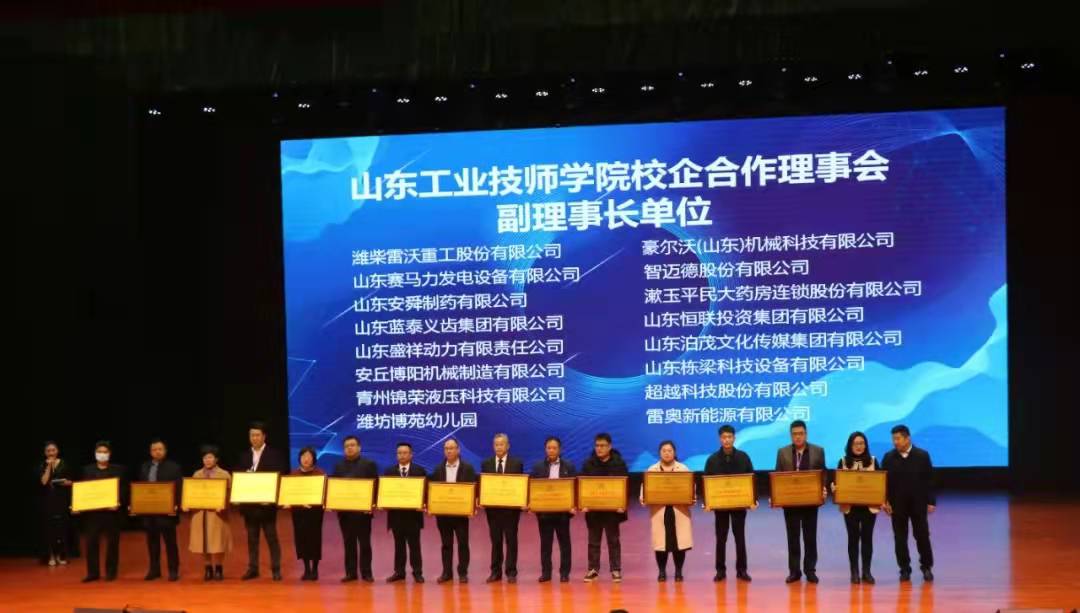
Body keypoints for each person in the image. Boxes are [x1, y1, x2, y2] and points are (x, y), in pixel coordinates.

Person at [881, 424, 935, 583]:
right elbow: (883, 482)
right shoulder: (888, 457)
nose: (895, 442)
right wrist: (884, 501)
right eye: (893, 439)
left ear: (907, 438)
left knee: (922, 536)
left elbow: (929, 480)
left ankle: (926, 567)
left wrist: (931, 501)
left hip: (918, 505)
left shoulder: (922, 455)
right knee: (900, 538)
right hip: (897, 505)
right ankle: (904, 569)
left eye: (898, 439)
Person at [774, 419, 826, 583]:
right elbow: (777, 476)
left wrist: (823, 489)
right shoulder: (782, 452)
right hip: (790, 503)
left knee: (810, 538)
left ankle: (810, 570)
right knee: (793, 538)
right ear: (791, 435)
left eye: (801, 433)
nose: (798, 437)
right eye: (795, 434)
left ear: (806, 434)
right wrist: (776, 494)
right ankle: (794, 571)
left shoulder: (818, 451)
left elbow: (823, 474)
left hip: (810, 502)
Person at [235, 421, 287, 581]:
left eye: (257, 435)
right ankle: (253, 568)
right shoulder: (244, 456)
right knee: (252, 539)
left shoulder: (274, 455)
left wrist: (273, 499)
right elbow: (238, 478)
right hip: (249, 506)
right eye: (252, 435)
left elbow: (279, 477)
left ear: (264, 436)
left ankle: (276, 569)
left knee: (272, 538)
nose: (255, 438)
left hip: (266, 506)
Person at [703, 425, 756, 582]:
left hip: (739, 505)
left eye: (729, 437)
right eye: (724, 437)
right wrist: (707, 502)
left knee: (740, 537)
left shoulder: (743, 457)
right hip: (720, 506)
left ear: (734, 438)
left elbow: (751, 478)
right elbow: (706, 483)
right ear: (720, 439)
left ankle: (742, 570)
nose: (726, 440)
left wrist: (752, 500)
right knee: (721, 538)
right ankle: (720, 571)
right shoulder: (712, 460)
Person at [831, 431, 880, 585]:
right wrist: (835, 488)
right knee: (853, 539)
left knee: (867, 539)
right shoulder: (843, 461)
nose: (859, 446)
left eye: (862, 443)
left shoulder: (873, 461)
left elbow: (880, 483)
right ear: (850, 446)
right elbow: (835, 483)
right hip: (850, 507)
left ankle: (866, 572)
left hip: (869, 507)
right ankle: (854, 572)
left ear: (865, 445)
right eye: (856, 444)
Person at [641, 440, 692, 582]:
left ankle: (678, 572)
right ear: (659, 453)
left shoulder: (683, 469)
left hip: (679, 511)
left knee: (679, 544)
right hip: (660, 511)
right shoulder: (652, 470)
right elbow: (644, 492)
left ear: (674, 452)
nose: (667, 453)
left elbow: (691, 490)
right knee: (661, 545)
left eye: (670, 451)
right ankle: (662, 572)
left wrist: (690, 498)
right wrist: (646, 498)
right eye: (664, 451)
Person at [581, 432, 628, 583]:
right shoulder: (588, 464)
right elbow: (582, 486)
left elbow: (625, 487)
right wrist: (583, 503)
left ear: (610, 446)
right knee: (593, 541)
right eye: (597, 446)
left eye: (602, 446)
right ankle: (593, 569)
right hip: (594, 511)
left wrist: (622, 504)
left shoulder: (619, 464)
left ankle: (615, 569)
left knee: (613, 540)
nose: (599, 448)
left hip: (612, 511)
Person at [429, 438, 477, 584]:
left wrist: (471, 507)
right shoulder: (437, 469)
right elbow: (433, 491)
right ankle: (447, 573)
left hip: (461, 514)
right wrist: (431, 506)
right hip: (443, 515)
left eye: (451, 448)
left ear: (458, 450)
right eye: (446, 448)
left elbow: (473, 490)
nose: (449, 451)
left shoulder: (468, 468)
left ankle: (463, 573)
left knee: (463, 543)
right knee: (446, 544)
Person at [529, 436, 576, 583]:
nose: (551, 450)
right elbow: (533, 488)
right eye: (549, 448)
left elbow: (574, 488)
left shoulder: (569, 466)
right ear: (545, 449)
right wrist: (532, 504)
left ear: (559, 449)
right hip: (544, 513)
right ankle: (546, 573)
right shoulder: (537, 467)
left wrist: (573, 505)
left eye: (554, 448)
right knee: (545, 544)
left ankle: (564, 573)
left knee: (565, 544)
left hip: (562, 513)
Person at [480, 433, 525, 583]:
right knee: (496, 541)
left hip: (511, 511)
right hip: (493, 511)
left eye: (501, 444)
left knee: (511, 540)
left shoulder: (516, 463)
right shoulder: (486, 464)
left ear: (508, 446)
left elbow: (519, 486)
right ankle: (495, 572)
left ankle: (511, 572)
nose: (499, 447)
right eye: (496, 444)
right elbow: (484, 485)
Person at [332, 435, 378, 583]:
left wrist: (372, 504)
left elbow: (375, 486)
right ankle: (351, 573)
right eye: (346, 446)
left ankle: (367, 573)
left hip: (363, 513)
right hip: (345, 513)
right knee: (348, 543)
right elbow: (335, 488)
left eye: (352, 445)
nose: (349, 448)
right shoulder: (338, 466)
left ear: (359, 447)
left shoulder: (368, 464)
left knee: (365, 544)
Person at [80, 440, 126, 582]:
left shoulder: (118, 470)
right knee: (91, 543)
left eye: (105, 452)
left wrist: (118, 502)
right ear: (95, 454)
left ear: (109, 454)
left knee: (112, 543)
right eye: (99, 452)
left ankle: (111, 572)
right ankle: (92, 573)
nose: (102, 454)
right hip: (93, 513)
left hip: (111, 513)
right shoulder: (87, 470)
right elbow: (83, 489)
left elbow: (124, 489)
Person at [137, 438, 182, 581]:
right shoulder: (144, 467)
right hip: (149, 512)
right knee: (152, 543)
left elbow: (179, 488)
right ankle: (154, 569)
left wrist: (177, 505)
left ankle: (173, 570)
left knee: (170, 543)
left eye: (160, 449)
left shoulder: (174, 467)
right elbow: (140, 488)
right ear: (151, 452)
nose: (157, 452)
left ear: (165, 451)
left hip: (167, 512)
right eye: (154, 449)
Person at [384, 442, 426, 583]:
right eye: (399, 453)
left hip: (413, 516)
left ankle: (417, 572)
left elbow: (425, 492)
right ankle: (399, 572)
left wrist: (423, 503)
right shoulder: (389, 472)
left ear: (411, 455)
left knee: (415, 546)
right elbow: (385, 492)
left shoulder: (419, 471)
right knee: (399, 546)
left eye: (405, 453)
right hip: (396, 516)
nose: (402, 455)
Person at [187, 445, 231, 581]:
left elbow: (229, 495)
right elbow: (191, 493)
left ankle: (219, 568)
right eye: (205, 458)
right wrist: (187, 504)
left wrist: (223, 505)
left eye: (210, 457)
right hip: (200, 513)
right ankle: (207, 568)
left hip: (217, 514)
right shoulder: (197, 474)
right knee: (203, 542)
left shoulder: (224, 474)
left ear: (216, 459)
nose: (207, 460)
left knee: (218, 541)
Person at [288, 446, 325, 581]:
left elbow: (324, 494)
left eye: (309, 456)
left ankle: (315, 569)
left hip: (314, 513)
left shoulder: (320, 474)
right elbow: (289, 494)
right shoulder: (294, 475)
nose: (306, 459)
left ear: (314, 459)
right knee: (301, 539)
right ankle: (306, 569)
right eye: (303, 456)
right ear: (299, 458)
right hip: (299, 513)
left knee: (315, 539)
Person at [39, 441, 72, 567]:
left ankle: (60, 555)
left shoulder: (64, 464)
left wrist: (66, 483)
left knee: (61, 528)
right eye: (48, 451)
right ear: (45, 453)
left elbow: (71, 481)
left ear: (57, 451)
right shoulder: (42, 465)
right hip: (48, 500)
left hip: (61, 499)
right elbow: (44, 481)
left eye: (53, 450)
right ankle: (51, 556)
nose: (51, 453)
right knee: (50, 529)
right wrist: (49, 466)